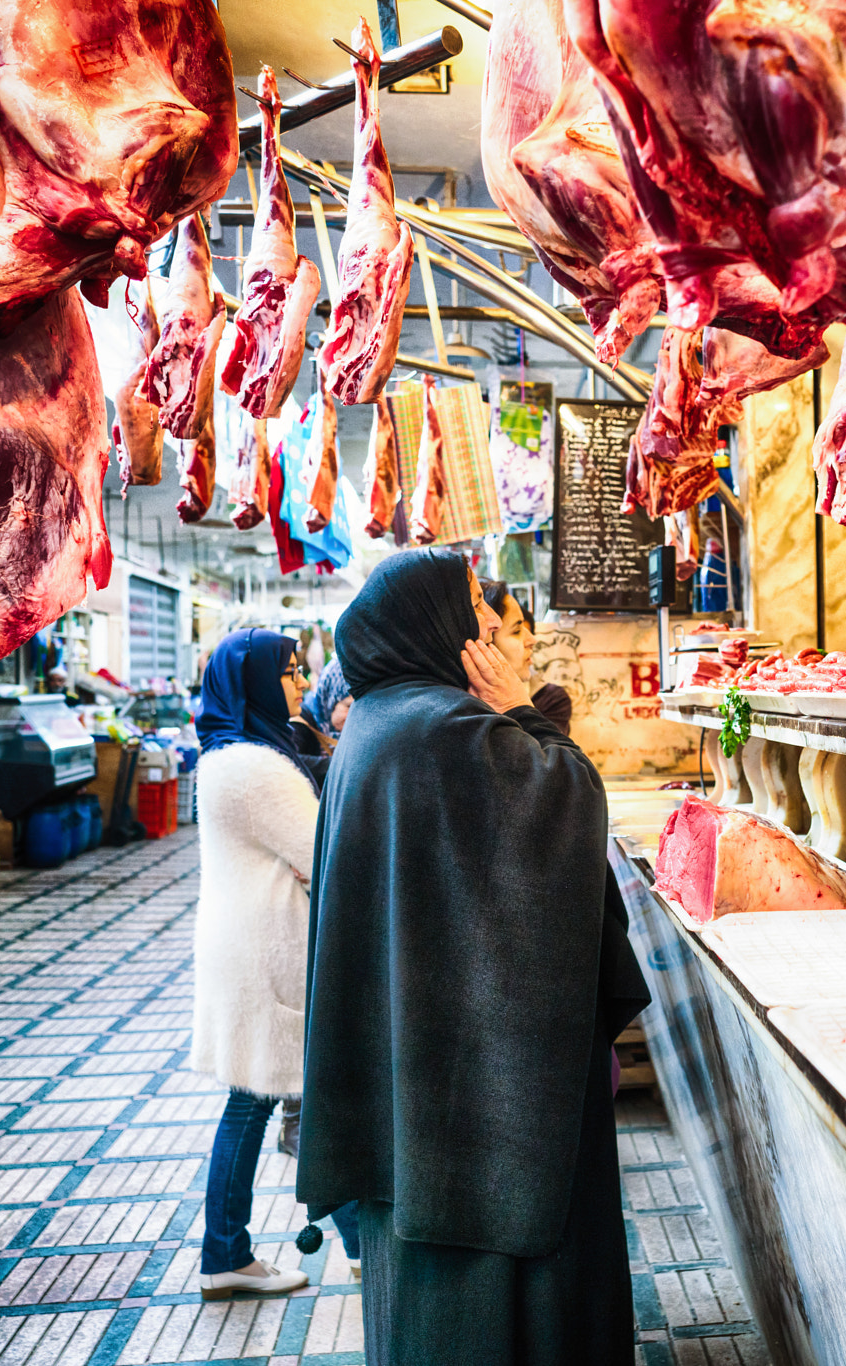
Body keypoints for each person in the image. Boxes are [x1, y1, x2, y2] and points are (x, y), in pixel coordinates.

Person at [297, 549, 650, 1366]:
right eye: (473, 608)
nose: (491, 622)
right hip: (485, 1107)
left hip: (417, 1079)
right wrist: (525, 711)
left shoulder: (380, 722)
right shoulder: (445, 728)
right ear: (431, 625)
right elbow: (565, 807)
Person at [190, 628, 357, 1300]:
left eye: (298, 668)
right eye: (287, 671)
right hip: (268, 954)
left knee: (260, 1101)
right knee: (312, 1100)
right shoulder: (256, 769)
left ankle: (228, 1251)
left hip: (248, 946)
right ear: (254, 681)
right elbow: (325, 851)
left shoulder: (232, 756)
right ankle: (360, 1244)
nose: (299, 682)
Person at [479, 580, 573, 736]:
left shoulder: (550, 698)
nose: (532, 641)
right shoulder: (458, 708)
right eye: (516, 631)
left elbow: (547, 758)